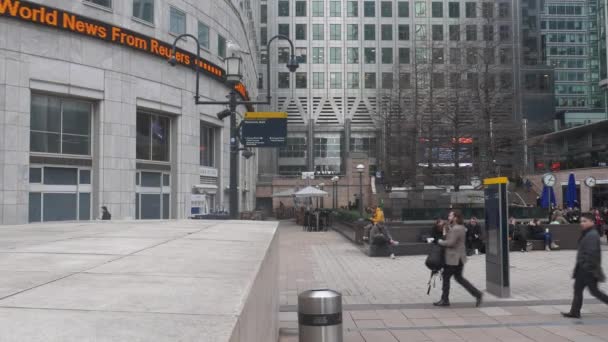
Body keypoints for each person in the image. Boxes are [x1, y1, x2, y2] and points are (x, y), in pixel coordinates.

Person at [562, 213, 608, 319]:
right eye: (581, 221)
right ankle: (574, 312)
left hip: (588, 270)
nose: (582, 223)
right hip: (583, 269)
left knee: (594, 292)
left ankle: (575, 312)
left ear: (592, 222)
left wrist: (586, 267)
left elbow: (592, 254)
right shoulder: (587, 233)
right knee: (578, 289)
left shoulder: (592, 235)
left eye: (584, 221)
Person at [434, 210, 483, 307]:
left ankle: (445, 300)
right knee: (459, 278)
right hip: (458, 258)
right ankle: (477, 294)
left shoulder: (457, 228)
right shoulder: (457, 227)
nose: (448, 217)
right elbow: (449, 238)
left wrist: (440, 241)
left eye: (450, 215)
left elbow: (450, 243)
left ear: (455, 217)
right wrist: (446, 230)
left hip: (454, 258)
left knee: (446, 277)